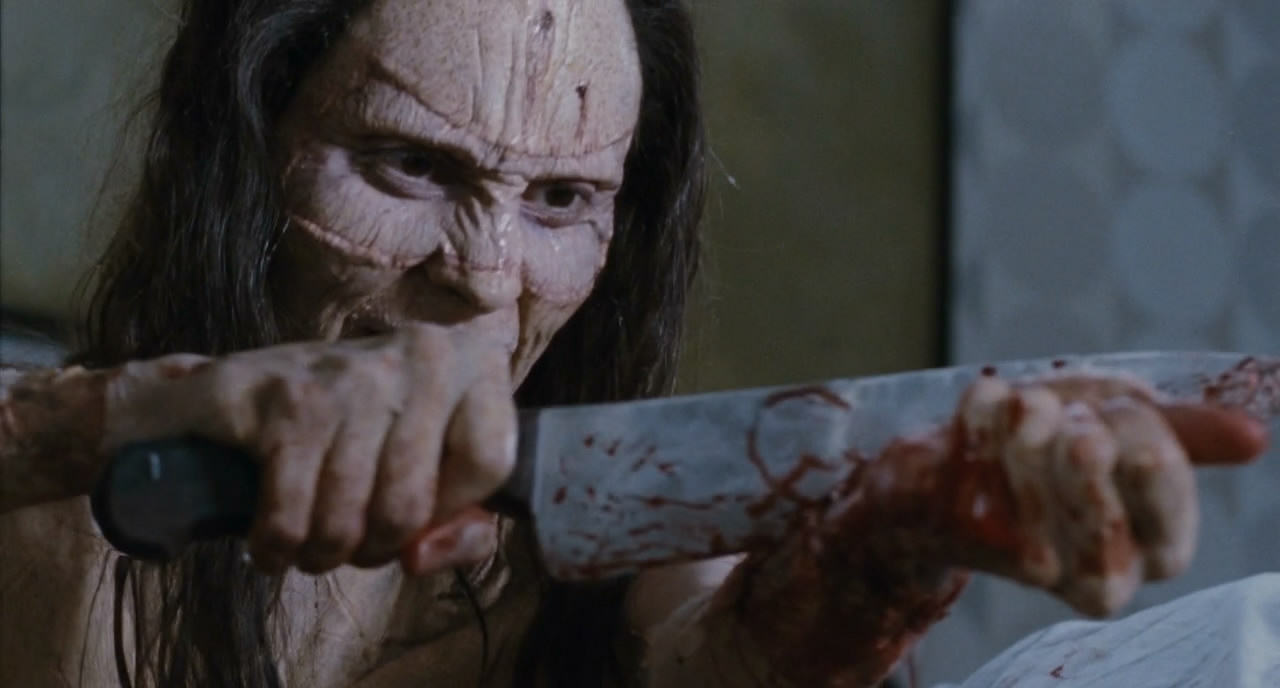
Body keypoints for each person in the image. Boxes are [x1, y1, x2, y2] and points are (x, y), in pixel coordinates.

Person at [0, 1, 1269, 686]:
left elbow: (715, 651)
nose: (484, 276)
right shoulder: (49, 493)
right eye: (405, 165)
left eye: (561, 200)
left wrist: (848, 597)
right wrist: (124, 417)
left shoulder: (631, 547)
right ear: (244, 158)